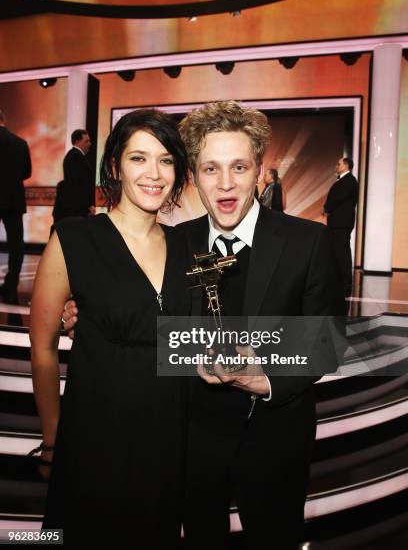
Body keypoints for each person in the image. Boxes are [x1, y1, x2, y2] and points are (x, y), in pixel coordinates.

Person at [63, 101, 340, 550]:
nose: (226, 183)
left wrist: (264, 376)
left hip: (275, 437)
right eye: (211, 168)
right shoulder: (176, 242)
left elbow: (325, 340)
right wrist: (86, 313)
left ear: (259, 170)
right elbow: (145, 314)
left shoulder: (307, 241)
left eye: (238, 167)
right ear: (193, 174)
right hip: (191, 440)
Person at [30, 109, 190, 548]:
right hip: (93, 434)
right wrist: (51, 439)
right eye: (139, 158)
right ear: (115, 165)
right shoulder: (73, 237)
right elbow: (42, 348)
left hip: (167, 437)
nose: (154, 174)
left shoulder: (188, 247)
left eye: (166, 160)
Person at [0, 109, 32, 304]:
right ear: (4, 119)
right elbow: (27, 172)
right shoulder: (20, 143)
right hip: (13, 198)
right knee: (16, 244)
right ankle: (11, 283)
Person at [323, 157, 358, 298]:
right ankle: (340, 284)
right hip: (338, 223)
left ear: (346, 165)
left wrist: (327, 208)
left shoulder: (349, 181)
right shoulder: (344, 181)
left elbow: (338, 198)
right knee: (338, 253)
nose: (336, 166)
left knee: (342, 254)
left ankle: (345, 286)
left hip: (341, 224)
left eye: (339, 164)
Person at [52, 129, 95, 225]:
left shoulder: (74, 156)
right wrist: (88, 206)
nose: (90, 144)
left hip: (76, 208)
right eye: (86, 141)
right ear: (77, 141)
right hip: (77, 209)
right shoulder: (76, 157)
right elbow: (80, 185)